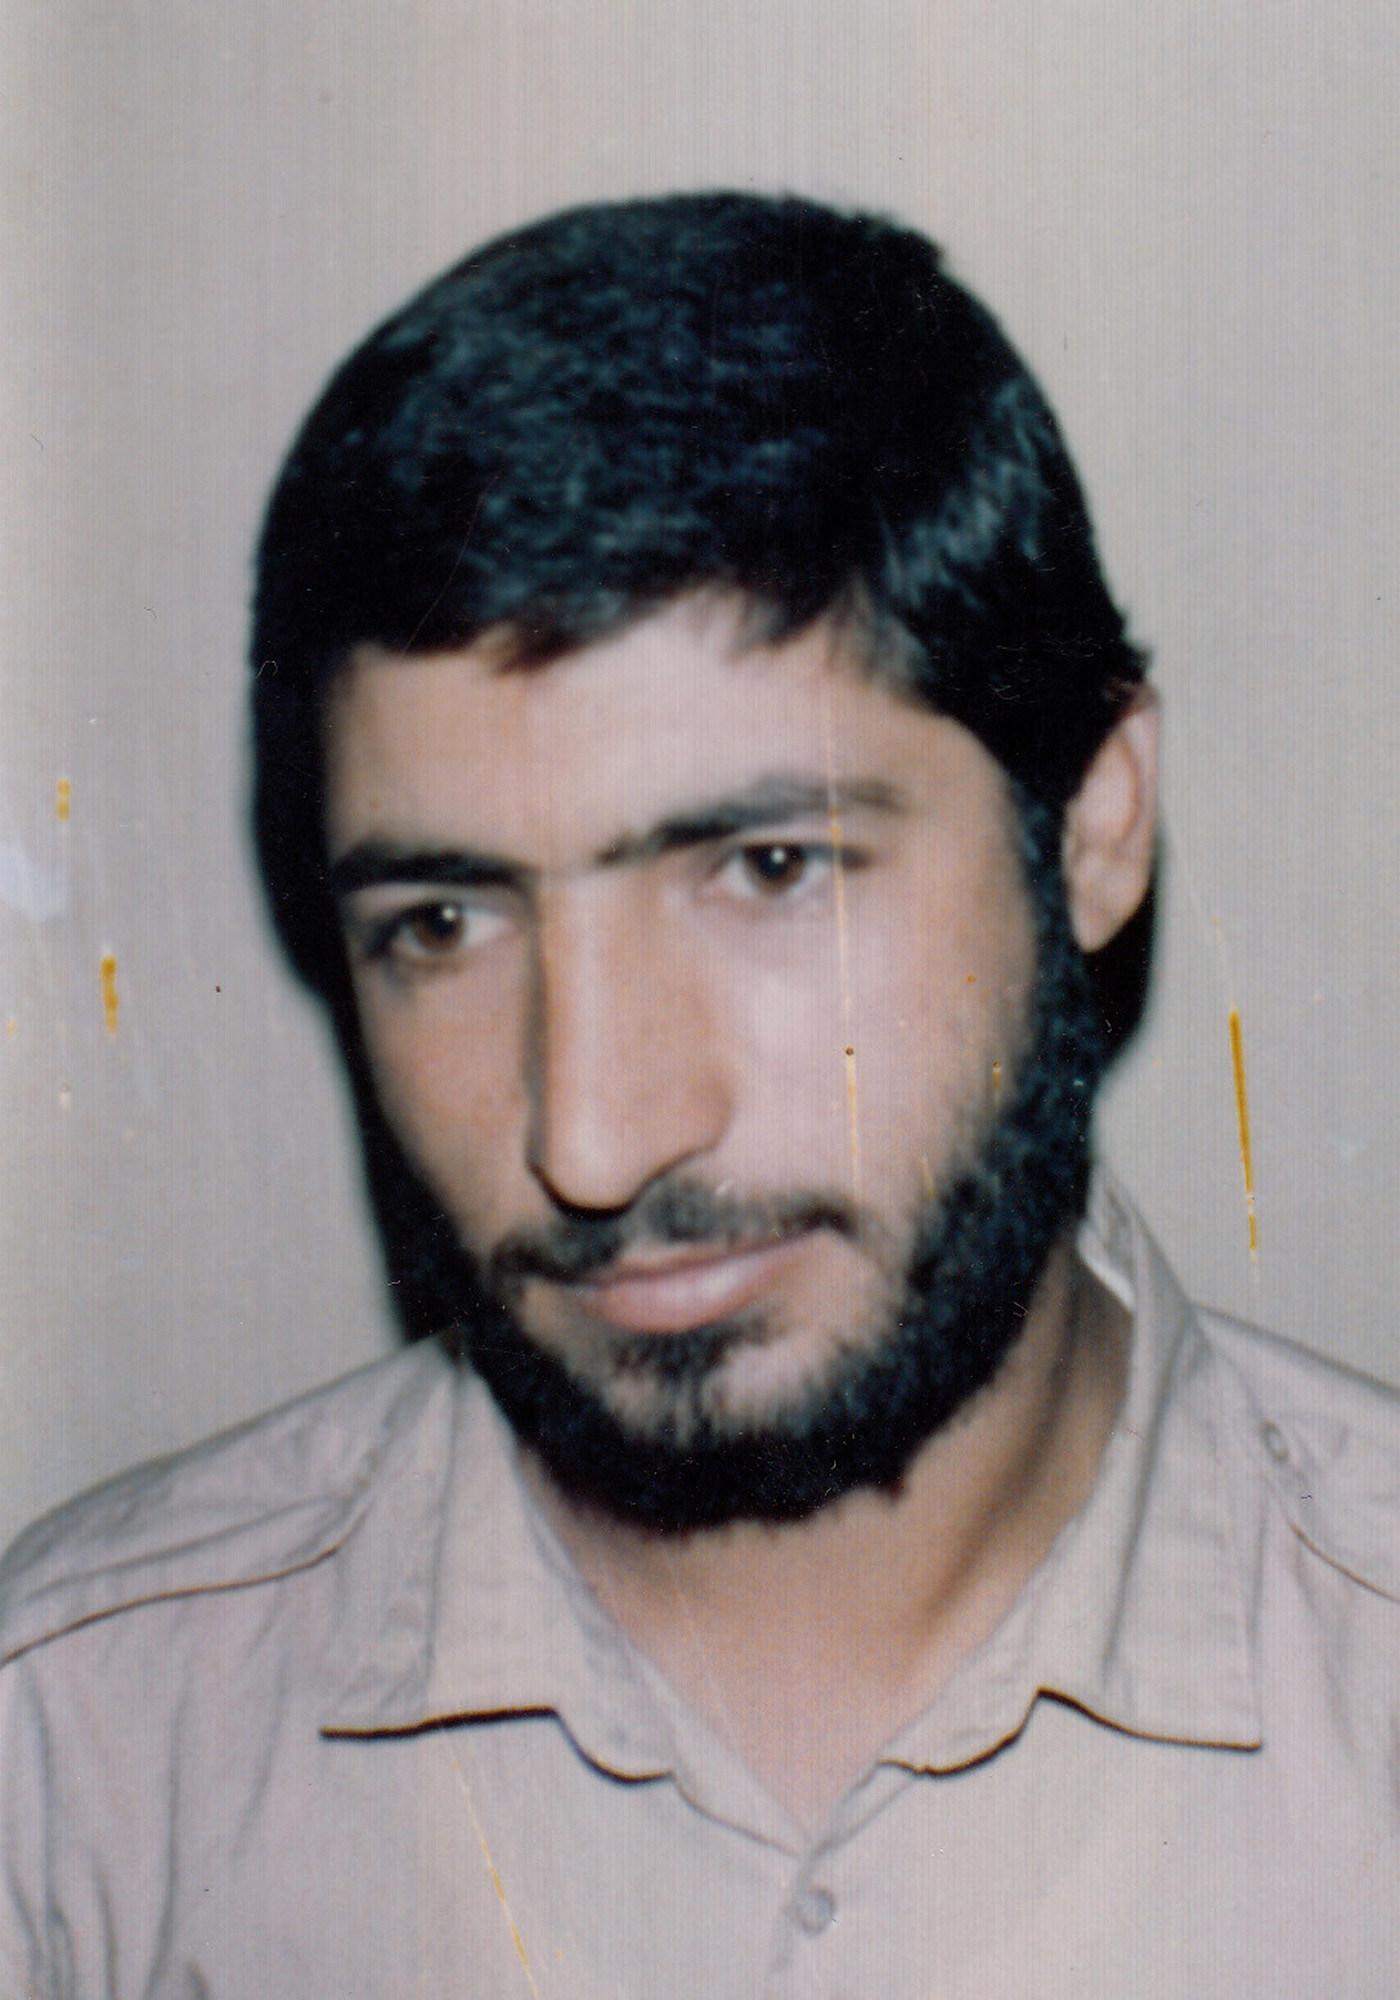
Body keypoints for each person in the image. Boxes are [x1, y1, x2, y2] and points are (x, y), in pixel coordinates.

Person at [1, 193, 1395, 1999]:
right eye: (444, 921)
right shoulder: (79, 1768)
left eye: (766, 867)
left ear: (1092, 826)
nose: (592, 1141)